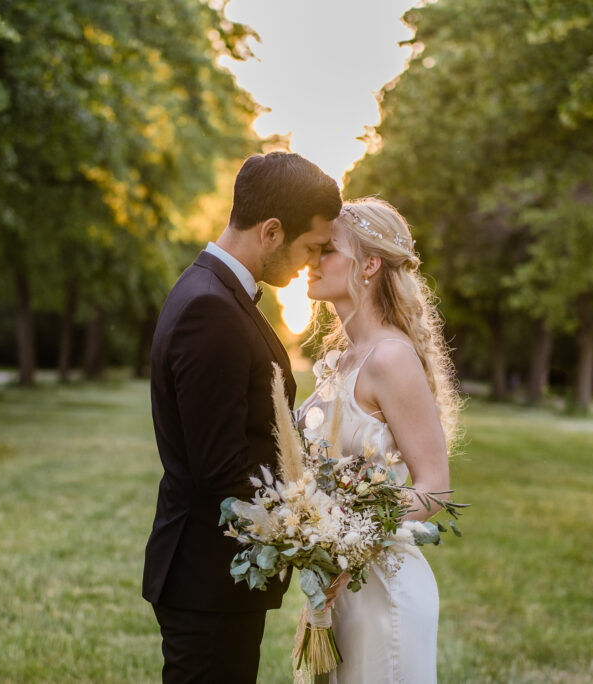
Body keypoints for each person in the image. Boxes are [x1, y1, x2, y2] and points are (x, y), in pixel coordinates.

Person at [144, 151, 342, 683]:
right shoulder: (211, 309)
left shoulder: (218, 295)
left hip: (215, 580)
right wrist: (310, 529)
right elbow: (221, 471)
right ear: (273, 231)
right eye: (311, 247)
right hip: (206, 578)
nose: (312, 262)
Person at [296, 197, 461, 683]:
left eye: (328, 249)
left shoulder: (389, 358)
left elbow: (435, 486)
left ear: (369, 264)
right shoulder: (343, 360)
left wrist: (349, 536)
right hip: (338, 587)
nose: (312, 260)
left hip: (383, 592)